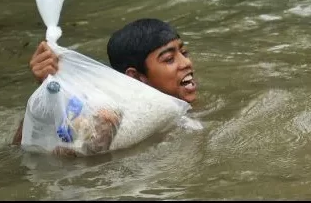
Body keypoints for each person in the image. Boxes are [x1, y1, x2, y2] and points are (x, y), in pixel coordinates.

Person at [12, 18, 197, 154]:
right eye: (169, 59)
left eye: (184, 52)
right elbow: (24, 150)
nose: (186, 63)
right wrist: (48, 92)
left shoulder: (184, 111)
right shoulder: (107, 116)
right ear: (135, 76)